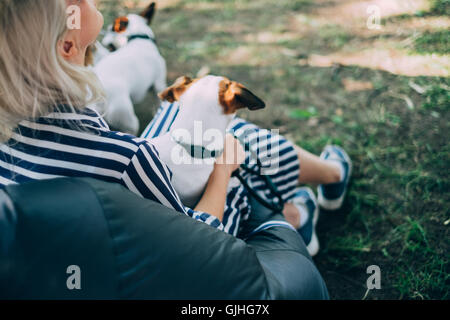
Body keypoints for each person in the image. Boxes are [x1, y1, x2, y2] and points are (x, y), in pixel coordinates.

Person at [0, 0, 352, 256]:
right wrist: (223, 169)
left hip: (93, 259)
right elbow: (200, 242)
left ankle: (311, 194)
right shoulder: (124, 161)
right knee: (223, 140)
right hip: (166, 266)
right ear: (66, 46)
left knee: (183, 119)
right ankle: (320, 188)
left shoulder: (12, 138)